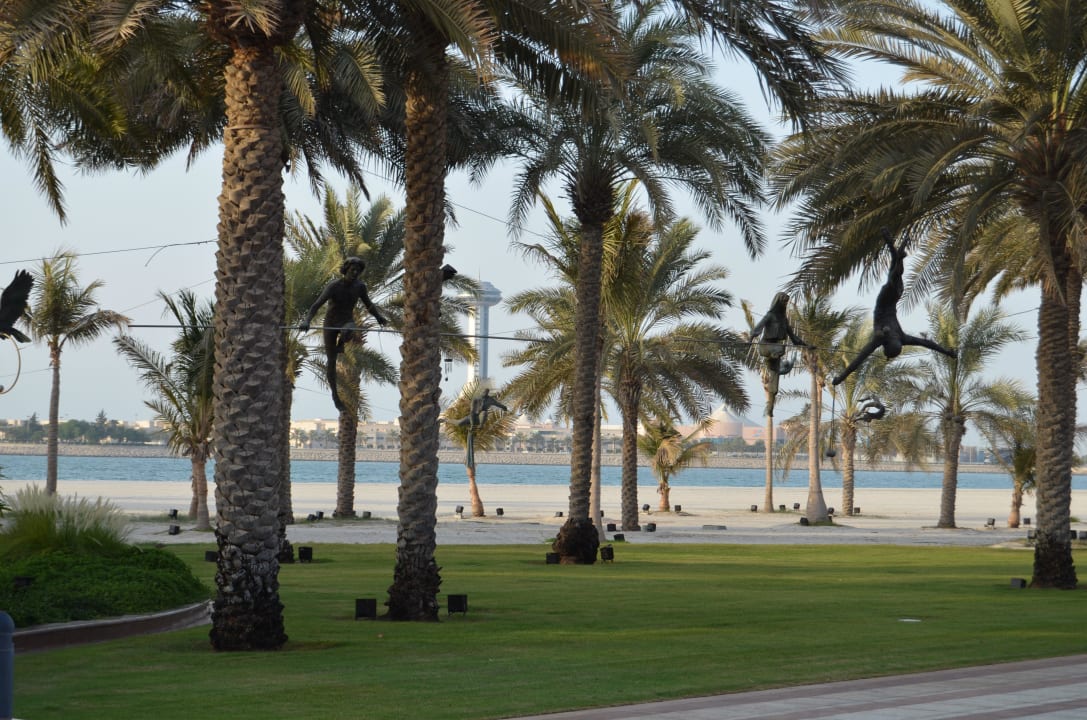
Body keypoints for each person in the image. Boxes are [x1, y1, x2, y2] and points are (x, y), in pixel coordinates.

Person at [833, 229, 956, 386]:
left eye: (893, 342)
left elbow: (858, 361)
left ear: (889, 344)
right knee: (895, 277)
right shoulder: (901, 338)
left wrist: (840, 378)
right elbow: (928, 344)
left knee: (893, 278)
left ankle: (896, 252)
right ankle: (895, 251)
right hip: (893, 299)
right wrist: (947, 352)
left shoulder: (881, 338)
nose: (894, 339)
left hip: (885, 302)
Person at [299, 257, 388, 411]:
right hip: (331, 323)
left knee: (349, 330)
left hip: (346, 321)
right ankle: (335, 396)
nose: (355, 273)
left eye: (358, 271)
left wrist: (379, 317)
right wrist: (306, 321)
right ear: (346, 269)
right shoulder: (334, 286)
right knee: (331, 362)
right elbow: (316, 305)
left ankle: (340, 345)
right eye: (352, 270)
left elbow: (369, 305)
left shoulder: (360, 287)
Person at [749, 291, 805, 416]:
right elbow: (758, 328)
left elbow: (794, 337)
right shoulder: (770, 315)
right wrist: (750, 340)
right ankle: (773, 355)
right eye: (784, 301)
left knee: (775, 384)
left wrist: (807, 346)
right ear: (778, 302)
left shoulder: (784, 319)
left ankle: (770, 407)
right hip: (766, 347)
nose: (785, 304)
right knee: (780, 348)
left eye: (786, 302)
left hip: (776, 353)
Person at [451, 388, 508, 470]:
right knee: (459, 423)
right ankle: (446, 420)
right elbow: (472, 412)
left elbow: (498, 404)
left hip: (481, 418)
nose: (485, 393)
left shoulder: (490, 400)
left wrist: (504, 408)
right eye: (484, 392)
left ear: (488, 393)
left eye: (487, 392)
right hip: (473, 417)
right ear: (482, 392)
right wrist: (472, 425)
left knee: (484, 412)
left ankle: (480, 426)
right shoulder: (476, 399)